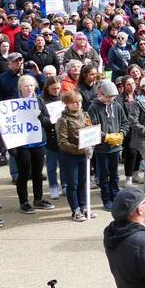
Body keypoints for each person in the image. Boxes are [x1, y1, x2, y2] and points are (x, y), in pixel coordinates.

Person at [0, 75, 54, 213]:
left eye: (31, 85)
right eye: (26, 86)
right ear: (20, 88)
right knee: (23, 174)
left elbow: (48, 121)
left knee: (37, 173)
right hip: (22, 145)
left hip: (38, 143)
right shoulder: (13, 104)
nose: (29, 88)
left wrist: (40, 117)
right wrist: (11, 147)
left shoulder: (39, 101)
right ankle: (24, 202)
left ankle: (38, 199)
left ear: (35, 86)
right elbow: (7, 126)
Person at [88, 80, 127, 211]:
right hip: (102, 148)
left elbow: (125, 123)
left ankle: (115, 197)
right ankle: (106, 199)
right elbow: (93, 127)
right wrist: (106, 136)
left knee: (115, 174)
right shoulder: (93, 107)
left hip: (116, 147)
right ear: (101, 93)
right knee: (103, 175)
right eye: (109, 97)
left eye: (113, 97)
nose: (111, 99)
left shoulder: (117, 106)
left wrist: (121, 133)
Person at [55, 90, 94, 220]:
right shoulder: (63, 120)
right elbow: (63, 142)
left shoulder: (85, 115)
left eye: (79, 102)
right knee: (73, 184)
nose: (77, 104)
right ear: (67, 104)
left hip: (84, 154)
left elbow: (91, 133)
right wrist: (81, 149)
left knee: (84, 181)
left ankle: (84, 206)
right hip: (69, 156)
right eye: (74, 102)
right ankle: (75, 210)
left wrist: (91, 146)